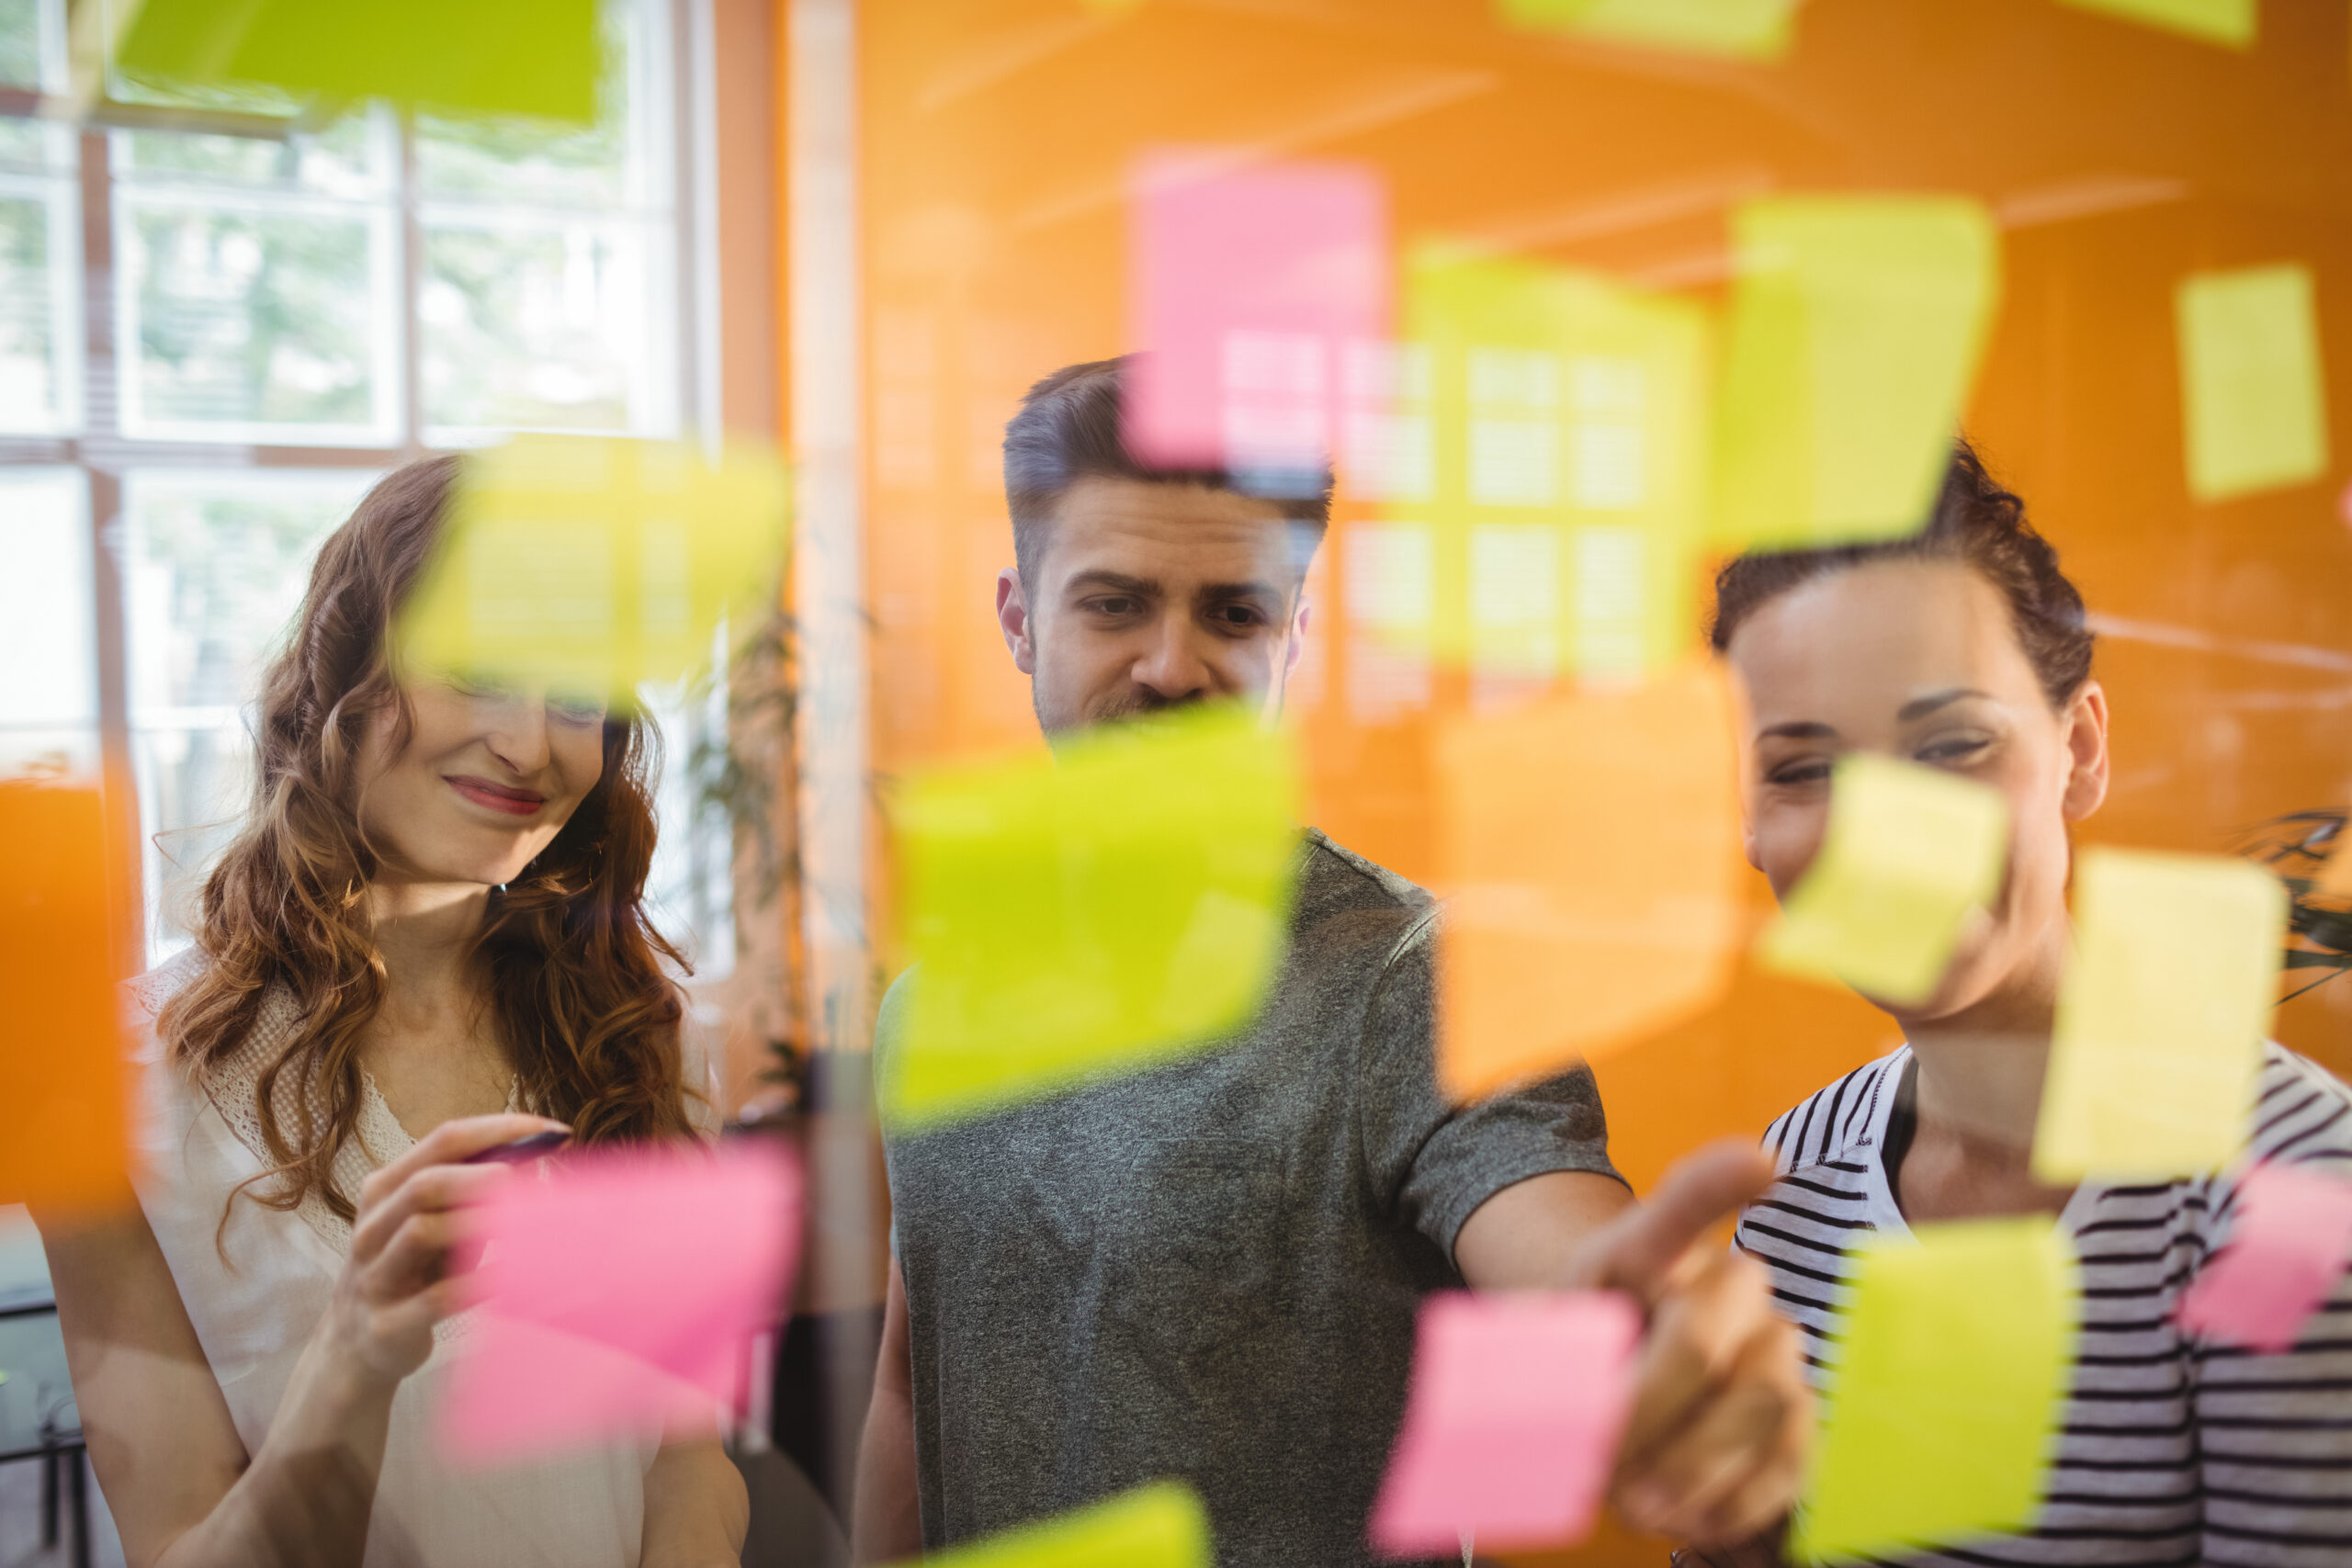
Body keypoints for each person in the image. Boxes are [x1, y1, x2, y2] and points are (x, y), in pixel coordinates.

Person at [853, 357, 1810, 1567]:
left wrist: (1637, 1331)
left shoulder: (1417, 977)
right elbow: (909, 1386)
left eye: (1234, 612)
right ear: (1018, 616)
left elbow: (1556, 1245)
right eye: (1114, 603)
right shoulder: (927, 1007)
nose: (1171, 666)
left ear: (1295, 633)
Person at [37, 457, 749, 1568]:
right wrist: (358, 1355)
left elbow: (688, 1464)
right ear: (342, 672)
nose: (529, 746)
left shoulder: (641, 1035)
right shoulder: (119, 1090)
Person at [1716, 443, 2352, 1566]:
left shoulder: (2293, 1197)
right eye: (1802, 769)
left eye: (1950, 745)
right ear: (1749, 819)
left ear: (2081, 750)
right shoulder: (1786, 1182)